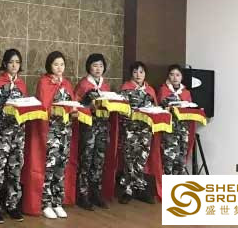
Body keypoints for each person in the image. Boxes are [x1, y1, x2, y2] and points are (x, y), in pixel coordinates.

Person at [22, 51, 76, 220]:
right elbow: (44, 106)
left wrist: (74, 110)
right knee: (49, 167)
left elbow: (72, 104)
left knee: (61, 166)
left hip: (65, 131)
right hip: (50, 131)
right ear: (49, 66)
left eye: (62, 64)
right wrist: (56, 109)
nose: (59, 68)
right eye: (56, 64)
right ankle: (45, 203)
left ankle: (57, 202)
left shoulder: (67, 83)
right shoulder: (44, 82)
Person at [0, 49, 27, 223]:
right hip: (1, 134)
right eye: (11, 62)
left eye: (17, 62)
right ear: (5, 64)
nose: (14, 65)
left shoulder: (22, 84)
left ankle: (12, 205)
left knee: (15, 170)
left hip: (18, 134)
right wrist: (6, 98)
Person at [75, 53, 111, 210]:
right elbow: (76, 105)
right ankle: (82, 194)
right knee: (86, 160)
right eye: (95, 65)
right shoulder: (83, 85)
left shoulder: (105, 86)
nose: (98, 69)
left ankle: (95, 192)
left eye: (101, 66)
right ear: (89, 67)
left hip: (102, 126)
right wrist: (89, 106)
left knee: (99, 160)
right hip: (88, 127)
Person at [118, 61, 157, 204]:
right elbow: (121, 109)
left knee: (142, 158)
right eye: (135, 72)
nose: (138, 75)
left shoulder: (150, 90)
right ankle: (127, 189)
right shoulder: (125, 89)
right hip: (130, 129)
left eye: (141, 72)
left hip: (145, 130)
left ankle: (139, 188)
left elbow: (155, 108)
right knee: (129, 158)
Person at [158, 64, 192, 175]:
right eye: (172, 75)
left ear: (182, 77)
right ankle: (167, 183)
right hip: (169, 129)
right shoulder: (164, 90)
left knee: (181, 159)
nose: (175, 77)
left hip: (183, 129)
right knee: (169, 159)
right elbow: (162, 105)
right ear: (168, 76)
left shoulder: (186, 92)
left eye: (177, 75)